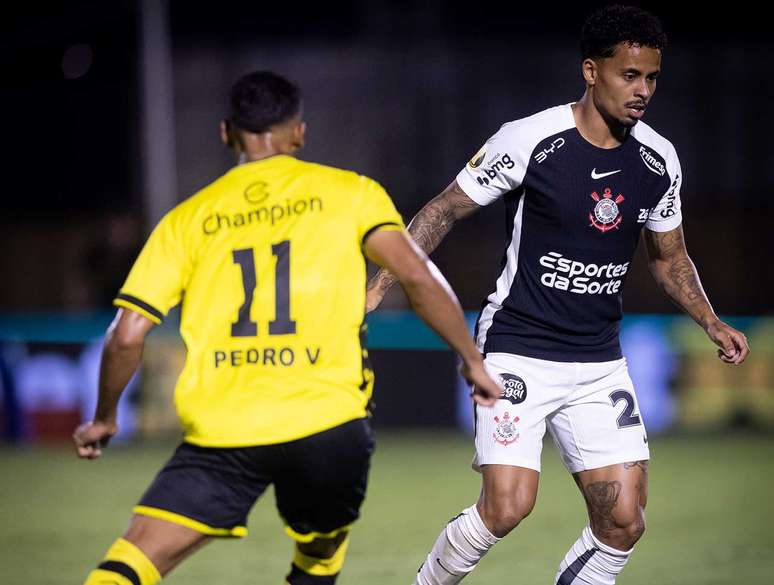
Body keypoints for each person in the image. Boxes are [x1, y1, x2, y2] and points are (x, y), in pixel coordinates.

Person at [366, 5, 750, 585]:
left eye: (651, 78)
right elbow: (444, 209)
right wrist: (380, 286)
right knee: (507, 506)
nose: (643, 90)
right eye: (630, 75)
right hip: (518, 346)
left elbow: (668, 258)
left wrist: (710, 320)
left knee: (623, 519)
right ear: (591, 71)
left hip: (598, 360)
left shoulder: (657, 159)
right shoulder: (530, 141)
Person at [72, 71, 501, 585]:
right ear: (298, 132)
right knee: (320, 554)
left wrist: (103, 418)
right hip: (329, 426)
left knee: (130, 561)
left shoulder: (187, 220)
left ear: (226, 132)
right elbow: (416, 274)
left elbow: (126, 334)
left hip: (225, 432)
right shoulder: (351, 193)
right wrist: (471, 359)